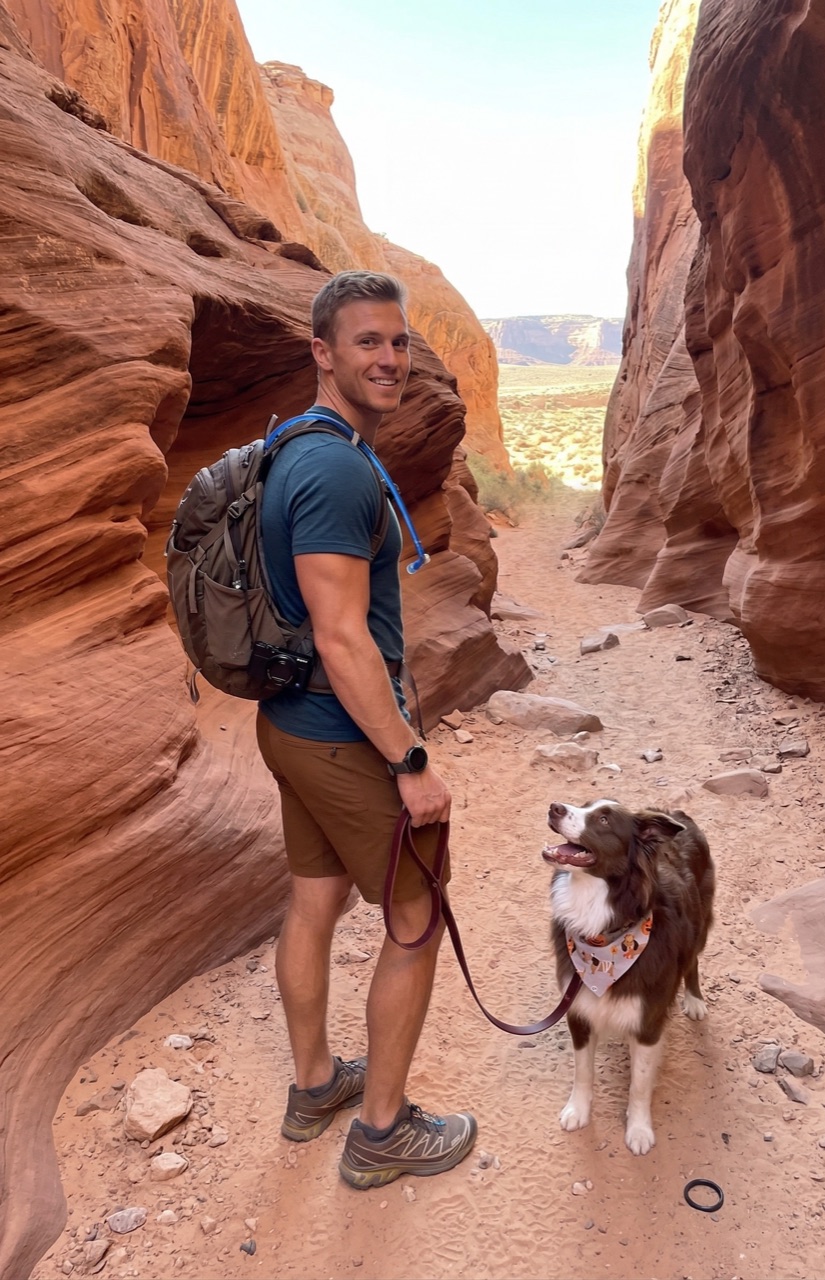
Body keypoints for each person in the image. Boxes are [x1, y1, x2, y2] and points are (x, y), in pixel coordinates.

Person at [255, 270, 477, 1190]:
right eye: (366, 343)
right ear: (322, 351)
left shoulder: (291, 446)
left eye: (397, 342)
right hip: (341, 734)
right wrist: (410, 760)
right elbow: (344, 637)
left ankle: (316, 1086)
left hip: (289, 721)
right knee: (415, 917)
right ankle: (381, 1131)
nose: (389, 360)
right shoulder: (338, 467)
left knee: (314, 900)